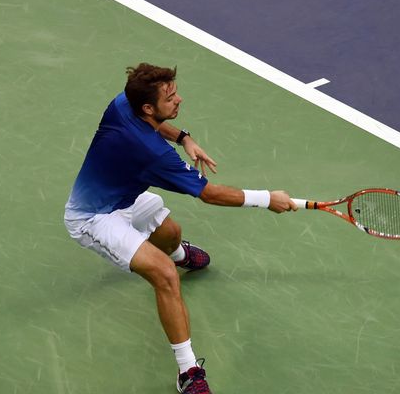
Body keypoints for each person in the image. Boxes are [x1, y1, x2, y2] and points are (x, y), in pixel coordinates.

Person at [64, 63, 297, 393]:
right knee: (164, 275)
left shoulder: (122, 104)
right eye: (171, 97)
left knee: (170, 234)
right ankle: (188, 371)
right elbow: (210, 194)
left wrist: (184, 137)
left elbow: (154, 126)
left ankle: (179, 253)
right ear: (148, 106)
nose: (180, 100)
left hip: (124, 198)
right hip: (92, 217)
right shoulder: (154, 155)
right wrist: (267, 198)